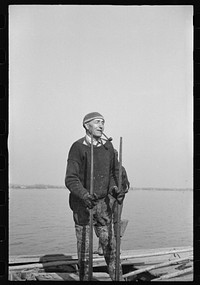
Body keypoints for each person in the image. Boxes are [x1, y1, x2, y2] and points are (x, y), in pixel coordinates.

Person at [65, 112, 127, 281]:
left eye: (103, 123)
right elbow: (71, 178)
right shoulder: (77, 147)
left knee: (110, 246)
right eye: (97, 122)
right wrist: (84, 194)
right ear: (86, 125)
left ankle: (118, 278)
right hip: (82, 205)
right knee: (85, 249)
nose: (101, 126)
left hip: (103, 206)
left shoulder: (109, 148)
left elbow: (115, 173)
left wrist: (115, 188)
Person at [96, 149, 130, 255]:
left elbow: (126, 185)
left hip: (113, 198)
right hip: (113, 198)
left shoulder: (117, 169)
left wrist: (120, 194)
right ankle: (107, 248)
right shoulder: (117, 168)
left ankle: (106, 248)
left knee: (107, 222)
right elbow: (127, 186)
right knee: (110, 222)